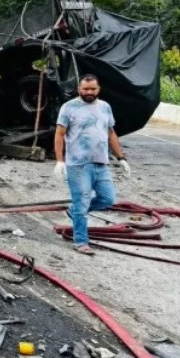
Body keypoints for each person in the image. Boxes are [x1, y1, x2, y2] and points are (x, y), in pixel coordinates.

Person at [53, 74, 131, 255]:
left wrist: (121, 158)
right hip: (78, 165)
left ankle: (74, 211)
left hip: (101, 163)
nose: (89, 92)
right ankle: (81, 241)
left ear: (98, 89)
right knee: (82, 203)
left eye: (93, 89)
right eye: (85, 89)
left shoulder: (105, 107)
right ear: (79, 89)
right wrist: (59, 160)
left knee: (108, 198)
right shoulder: (69, 107)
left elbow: (111, 132)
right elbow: (59, 134)